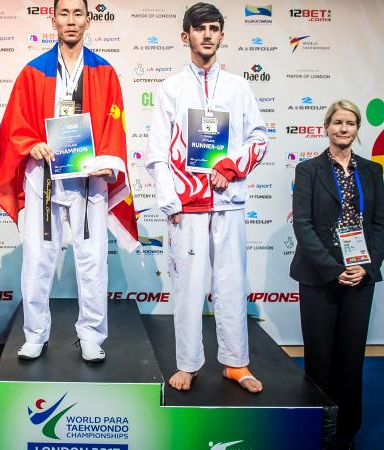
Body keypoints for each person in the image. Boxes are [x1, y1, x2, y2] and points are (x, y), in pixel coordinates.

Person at [0, 0, 138, 362]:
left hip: (89, 179)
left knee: (92, 260)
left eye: (78, 14)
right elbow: (15, 123)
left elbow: (114, 124)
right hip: (43, 177)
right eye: (64, 13)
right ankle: (35, 334)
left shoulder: (104, 71)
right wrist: (32, 143)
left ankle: (91, 334)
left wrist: (107, 162)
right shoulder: (33, 71)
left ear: (88, 20)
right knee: (38, 260)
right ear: (53, 19)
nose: (71, 21)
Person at [145, 2, 267, 393]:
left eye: (214, 28)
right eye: (200, 29)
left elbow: (259, 138)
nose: (208, 35)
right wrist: (170, 202)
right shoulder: (170, 88)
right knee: (188, 288)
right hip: (187, 207)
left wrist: (230, 167)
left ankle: (236, 363)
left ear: (221, 35)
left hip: (227, 199)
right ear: (186, 37)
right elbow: (157, 152)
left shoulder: (238, 87)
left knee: (231, 282)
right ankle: (189, 363)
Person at [291, 99, 384, 449]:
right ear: (326, 127)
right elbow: (302, 225)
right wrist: (334, 270)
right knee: (319, 358)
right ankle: (318, 428)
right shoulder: (308, 170)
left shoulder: (372, 170)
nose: (343, 128)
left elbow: (380, 224)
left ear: (358, 129)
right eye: (337, 123)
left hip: (360, 277)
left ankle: (346, 432)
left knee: (351, 358)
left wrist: (366, 266)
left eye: (350, 123)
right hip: (320, 277)